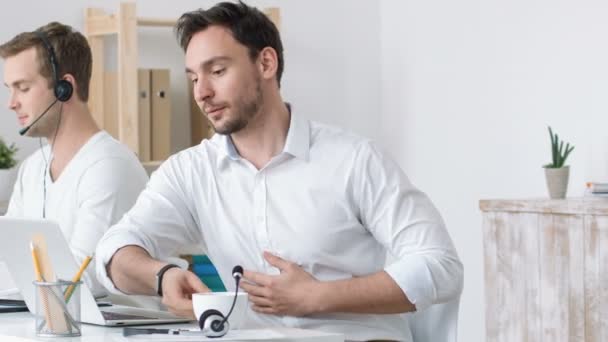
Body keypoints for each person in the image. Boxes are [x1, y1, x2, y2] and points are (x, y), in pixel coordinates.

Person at [96, 2, 463, 340]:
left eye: (218, 71)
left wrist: (318, 297)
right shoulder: (190, 171)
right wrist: (162, 277)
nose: (201, 93)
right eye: (193, 78)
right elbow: (113, 252)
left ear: (266, 64)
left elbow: (441, 266)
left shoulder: (354, 160)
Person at [1, 22, 148, 297]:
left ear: (63, 88)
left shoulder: (109, 167)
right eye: (11, 88)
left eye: (22, 88)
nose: (11, 102)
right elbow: (7, 257)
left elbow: (79, 281)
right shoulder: (32, 169)